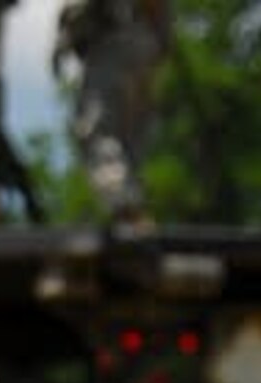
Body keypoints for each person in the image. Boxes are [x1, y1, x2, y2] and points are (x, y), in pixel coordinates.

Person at [54, 0, 172, 223]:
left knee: (97, 130)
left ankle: (127, 209)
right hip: (141, 40)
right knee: (128, 140)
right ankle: (133, 211)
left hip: (115, 40)